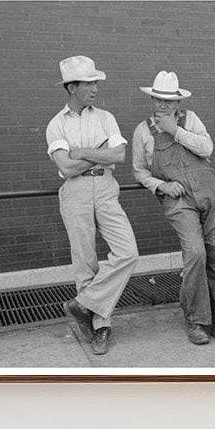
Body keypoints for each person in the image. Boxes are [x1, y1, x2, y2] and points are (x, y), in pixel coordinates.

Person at [131, 71, 215, 349]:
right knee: (195, 252)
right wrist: (161, 186)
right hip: (178, 199)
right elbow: (139, 171)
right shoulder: (143, 131)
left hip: (210, 194)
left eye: (168, 101)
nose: (162, 106)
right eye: (157, 99)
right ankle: (195, 319)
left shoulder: (191, 120)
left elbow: (207, 148)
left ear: (178, 103)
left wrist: (175, 131)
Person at [45, 55, 139, 355]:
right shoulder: (55, 125)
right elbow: (66, 167)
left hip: (106, 189)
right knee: (85, 261)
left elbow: (119, 156)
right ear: (72, 87)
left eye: (96, 82)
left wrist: (82, 151)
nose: (96, 87)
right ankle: (100, 327)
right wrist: (99, 152)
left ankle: (81, 305)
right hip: (75, 192)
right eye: (89, 82)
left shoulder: (105, 118)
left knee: (127, 252)